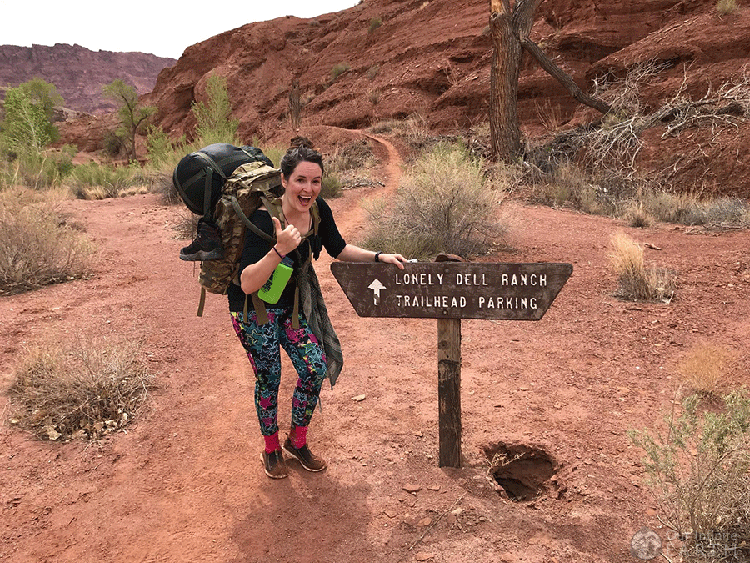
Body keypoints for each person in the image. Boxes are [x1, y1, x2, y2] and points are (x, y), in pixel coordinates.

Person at [229, 143, 406, 479]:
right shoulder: (264, 218)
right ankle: (270, 449)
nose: (308, 190)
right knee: (270, 377)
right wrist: (278, 250)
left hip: (291, 308)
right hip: (253, 311)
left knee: (314, 367)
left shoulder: (318, 209)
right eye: (300, 180)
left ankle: (297, 441)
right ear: (284, 180)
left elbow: (337, 247)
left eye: (315, 181)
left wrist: (379, 257)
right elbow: (247, 283)